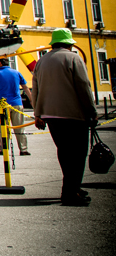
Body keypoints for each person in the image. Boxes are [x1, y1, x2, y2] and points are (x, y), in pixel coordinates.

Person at [32, 28, 97, 207]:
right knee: (78, 153)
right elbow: (84, 87)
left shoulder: (41, 61)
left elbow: (35, 88)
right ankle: (70, 192)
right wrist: (91, 111)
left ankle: (72, 187)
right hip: (73, 114)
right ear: (69, 44)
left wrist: (38, 114)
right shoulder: (73, 58)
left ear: (53, 43)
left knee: (64, 152)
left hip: (50, 114)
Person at [0, 58, 30, 156]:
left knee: (3, 128)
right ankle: (23, 149)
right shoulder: (16, 72)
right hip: (17, 104)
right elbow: (25, 87)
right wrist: (32, 100)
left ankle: (4, 148)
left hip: (2, 105)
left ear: (0, 63)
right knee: (19, 127)